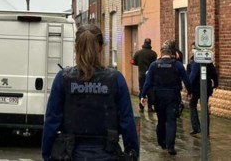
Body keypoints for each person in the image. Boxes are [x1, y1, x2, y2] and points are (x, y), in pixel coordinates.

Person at [42, 24, 139, 161]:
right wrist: (132, 151)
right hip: (107, 154)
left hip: (71, 154)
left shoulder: (63, 78)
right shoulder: (115, 79)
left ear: (76, 47)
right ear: (100, 47)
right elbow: (127, 121)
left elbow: (51, 121)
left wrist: (47, 154)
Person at [140, 44, 191, 156]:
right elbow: (186, 80)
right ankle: (171, 147)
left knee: (161, 120)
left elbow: (148, 82)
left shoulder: (154, 65)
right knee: (171, 120)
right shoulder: (177, 65)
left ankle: (161, 141)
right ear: (171, 54)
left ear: (161, 54)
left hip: (159, 97)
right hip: (173, 96)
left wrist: (142, 95)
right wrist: (190, 92)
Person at [188, 49, 218, 135]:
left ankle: (196, 127)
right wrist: (215, 84)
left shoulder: (195, 62)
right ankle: (206, 130)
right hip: (207, 87)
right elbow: (214, 73)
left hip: (195, 88)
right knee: (204, 107)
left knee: (192, 105)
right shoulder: (208, 61)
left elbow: (193, 76)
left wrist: (189, 89)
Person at [131, 38, 157, 112]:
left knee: (142, 89)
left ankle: (141, 106)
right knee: (150, 90)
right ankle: (149, 107)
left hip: (141, 74)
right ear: (150, 43)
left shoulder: (138, 53)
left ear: (144, 43)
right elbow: (154, 64)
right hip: (150, 74)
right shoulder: (153, 53)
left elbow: (132, 62)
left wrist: (138, 63)